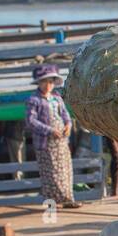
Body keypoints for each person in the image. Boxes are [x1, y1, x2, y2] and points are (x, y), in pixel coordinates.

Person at [25, 64, 81, 209]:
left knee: (65, 170)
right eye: (45, 81)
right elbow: (31, 121)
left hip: (61, 141)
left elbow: (65, 115)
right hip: (46, 143)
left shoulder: (57, 98)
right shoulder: (34, 100)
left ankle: (68, 198)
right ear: (39, 83)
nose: (48, 85)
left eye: (50, 82)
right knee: (50, 173)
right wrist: (49, 130)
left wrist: (68, 125)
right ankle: (52, 202)